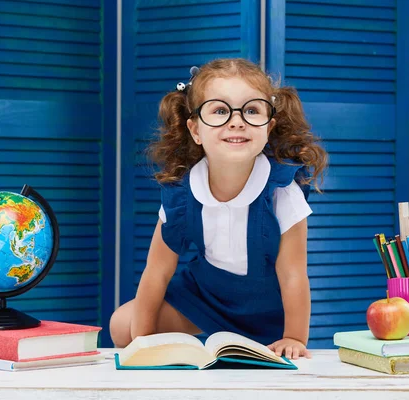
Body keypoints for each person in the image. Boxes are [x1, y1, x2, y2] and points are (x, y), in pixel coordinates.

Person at [110, 58, 328, 360]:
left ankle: (242, 341)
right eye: (220, 111)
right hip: (205, 298)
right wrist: (142, 341)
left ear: (269, 126)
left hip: (265, 311)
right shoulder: (182, 194)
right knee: (121, 325)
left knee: (277, 347)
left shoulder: (282, 192)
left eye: (251, 110)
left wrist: (294, 337)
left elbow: (293, 274)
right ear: (195, 130)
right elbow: (158, 270)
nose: (236, 121)